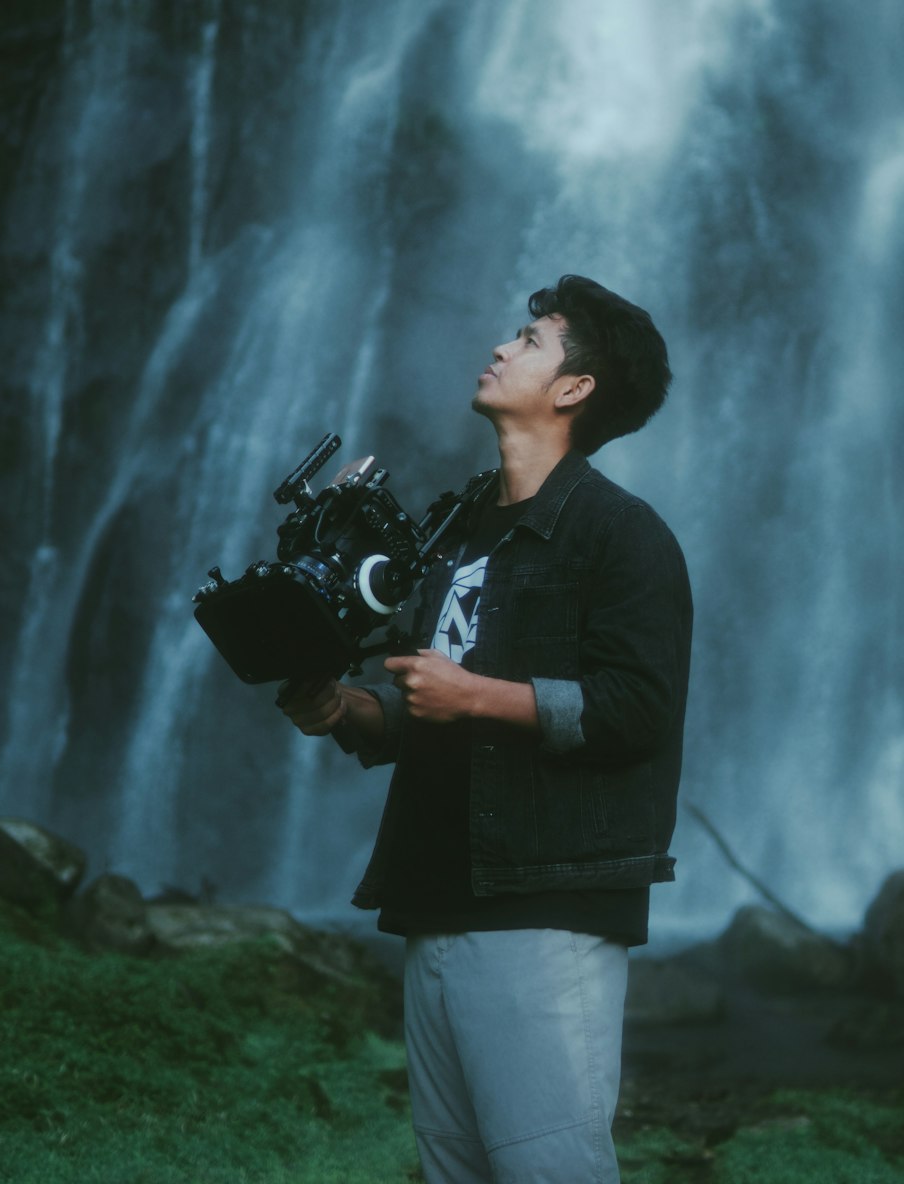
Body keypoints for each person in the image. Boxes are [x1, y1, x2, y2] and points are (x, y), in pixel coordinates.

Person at [279, 275, 692, 1184]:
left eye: (532, 341)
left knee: (553, 1172)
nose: (503, 348)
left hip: (546, 909)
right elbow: (426, 694)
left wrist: (477, 698)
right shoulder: (457, 529)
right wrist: (347, 708)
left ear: (575, 389)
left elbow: (638, 709)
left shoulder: (622, 534)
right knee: (455, 1172)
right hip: (436, 897)